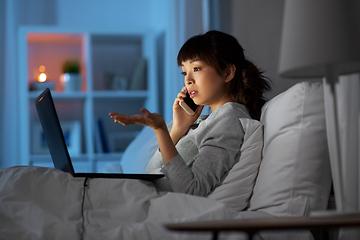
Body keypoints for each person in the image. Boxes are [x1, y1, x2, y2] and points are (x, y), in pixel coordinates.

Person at [109, 30, 271, 197]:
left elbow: (192, 189)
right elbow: (151, 172)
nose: (188, 80)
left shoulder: (227, 120)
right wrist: (178, 129)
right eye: (185, 72)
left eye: (196, 68)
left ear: (228, 73)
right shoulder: (209, 120)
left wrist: (160, 130)